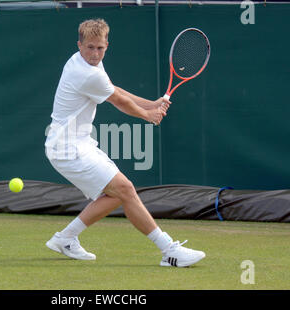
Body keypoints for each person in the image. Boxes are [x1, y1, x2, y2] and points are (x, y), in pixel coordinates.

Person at [44, 18, 205, 267]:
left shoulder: (89, 65)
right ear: (79, 45)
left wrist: (151, 104)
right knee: (126, 189)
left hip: (78, 143)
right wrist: (148, 115)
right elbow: (118, 101)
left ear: (106, 45)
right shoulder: (84, 72)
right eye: (89, 47)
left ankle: (65, 238)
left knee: (118, 194)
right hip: (67, 148)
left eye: (100, 48)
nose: (95, 53)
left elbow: (114, 89)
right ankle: (169, 251)